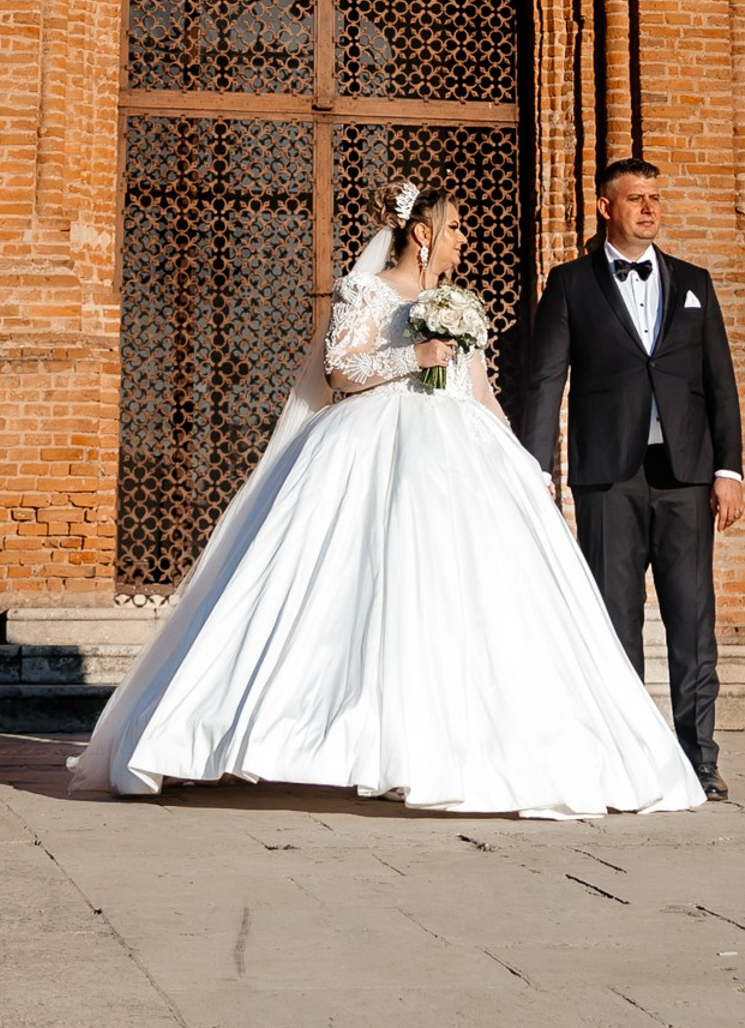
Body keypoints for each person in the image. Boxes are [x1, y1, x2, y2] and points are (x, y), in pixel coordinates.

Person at [73, 181, 704, 818]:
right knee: (355, 585)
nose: (465, 238)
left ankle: (448, 739)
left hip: (463, 452)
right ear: (423, 233)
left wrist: (521, 461)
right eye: (456, 227)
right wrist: (415, 353)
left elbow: (480, 391)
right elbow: (340, 371)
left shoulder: (459, 302)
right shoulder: (367, 291)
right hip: (372, 442)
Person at [522, 157, 744, 801]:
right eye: (636, 198)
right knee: (614, 624)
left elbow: (719, 386)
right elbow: (545, 383)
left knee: (692, 622)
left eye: (655, 198)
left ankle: (699, 758)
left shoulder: (694, 282)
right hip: (607, 480)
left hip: (685, 478)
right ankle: (626, 756)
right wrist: (537, 470)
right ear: (604, 207)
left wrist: (728, 468)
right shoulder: (570, 285)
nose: (649, 208)